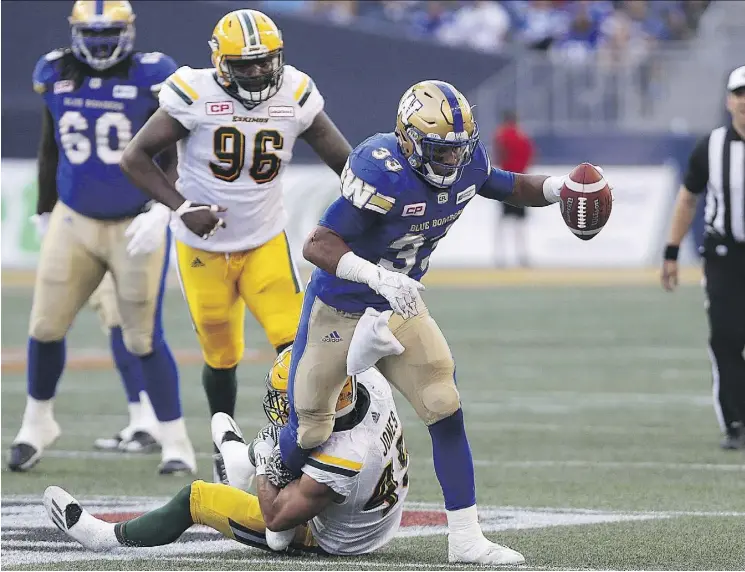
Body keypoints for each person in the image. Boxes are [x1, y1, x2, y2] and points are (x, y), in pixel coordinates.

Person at [277, 80, 603, 565]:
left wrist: (559, 190)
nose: (452, 161)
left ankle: (466, 538)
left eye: (458, 151)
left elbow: (510, 185)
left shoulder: (466, 161)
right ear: (409, 141)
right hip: (340, 308)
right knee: (310, 429)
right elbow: (318, 245)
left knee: (443, 403)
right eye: (440, 151)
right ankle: (269, 482)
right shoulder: (380, 170)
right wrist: (377, 276)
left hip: (399, 309)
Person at [119, 8, 353, 480]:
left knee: (297, 345)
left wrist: (372, 208)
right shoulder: (193, 92)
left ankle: (301, 443)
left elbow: (344, 163)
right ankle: (223, 445)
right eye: (244, 65)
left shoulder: (296, 93)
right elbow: (135, 156)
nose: (257, 71)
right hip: (201, 248)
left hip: (265, 239)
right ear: (220, 63)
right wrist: (181, 206)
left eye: (265, 61)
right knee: (220, 354)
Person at [43, 314, 415, 558]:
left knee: (199, 497)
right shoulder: (365, 382)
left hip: (337, 535)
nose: (284, 403)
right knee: (281, 440)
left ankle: (106, 537)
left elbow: (276, 518)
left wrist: (269, 459)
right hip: (371, 506)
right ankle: (241, 460)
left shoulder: (342, 455)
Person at [7, 0, 195, 475]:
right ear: (74, 33)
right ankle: (36, 424)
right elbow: (50, 145)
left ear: (129, 31)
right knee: (45, 326)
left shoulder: (155, 74)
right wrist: (44, 209)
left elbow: (176, 149)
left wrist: (163, 206)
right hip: (74, 220)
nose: (99, 42)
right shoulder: (53, 71)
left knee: (141, 337)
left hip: (134, 222)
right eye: (90, 33)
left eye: (109, 31)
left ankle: (175, 440)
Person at [661, 65, 745, 450]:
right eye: (739, 93)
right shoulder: (710, 147)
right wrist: (672, 252)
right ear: (729, 100)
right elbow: (687, 198)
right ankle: (735, 422)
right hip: (725, 255)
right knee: (726, 338)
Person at [493, 110, 535, 267]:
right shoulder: (523, 136)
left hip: (505, 181)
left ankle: (500, 256)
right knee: (520, 223)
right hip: (521, 182)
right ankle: (523, 256)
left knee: (503, 222)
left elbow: (498, 156)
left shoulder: (501, 136)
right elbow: (530, 156)